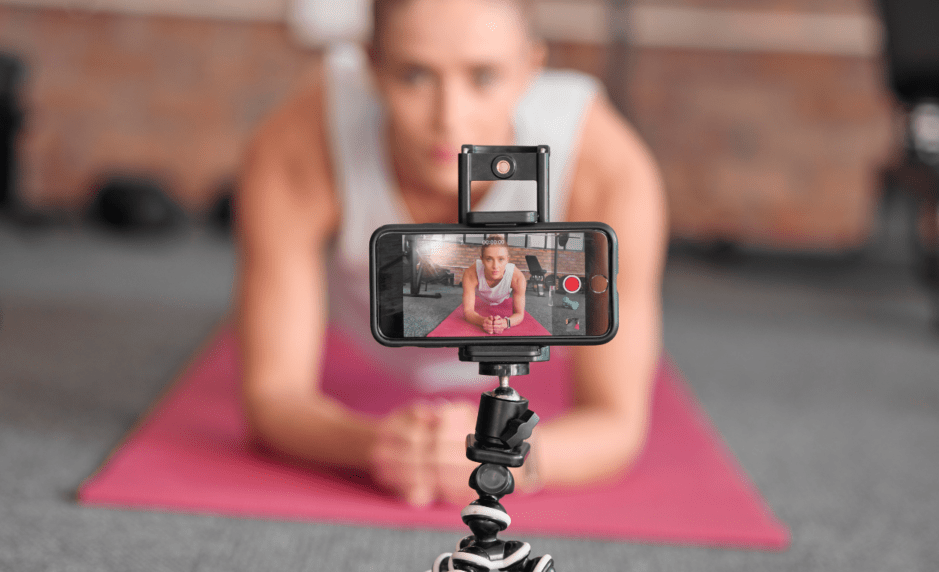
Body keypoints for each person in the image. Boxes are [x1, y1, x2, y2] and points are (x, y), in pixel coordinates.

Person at [236, 0, 668, 507]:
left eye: (483, 76)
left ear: (531, 69)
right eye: (415, 75)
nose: (449, 118)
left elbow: (617, 423)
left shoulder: (608, 170)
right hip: (366, 341)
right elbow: (273, 397)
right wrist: (384, 447)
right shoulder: (298, 146)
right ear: (372, 66)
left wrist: (508, 457)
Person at [461, 235, 527, 335]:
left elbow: (519, 314)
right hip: (482, 298)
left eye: (501, 259)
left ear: (507, 260)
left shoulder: (518, 278)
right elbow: (468, 311)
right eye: (489, 259)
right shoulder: (471, 273)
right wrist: (483, 321)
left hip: (502, 298)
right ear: (481, 259)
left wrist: (504, 323)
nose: (495, 266)